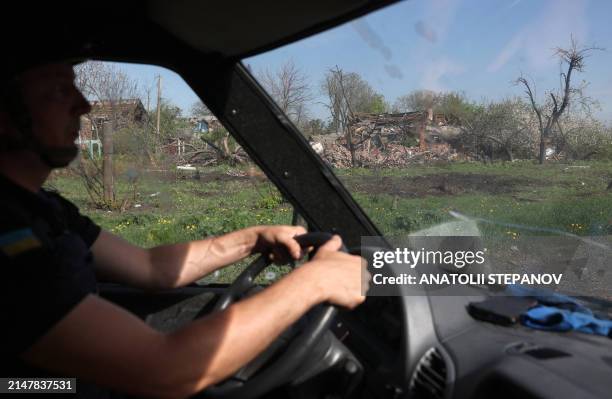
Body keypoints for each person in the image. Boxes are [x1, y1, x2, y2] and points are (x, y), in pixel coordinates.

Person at [0, 61, 369, 398]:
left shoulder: (42, 207)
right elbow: (161, 368)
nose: (84, 105)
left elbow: (150, 266)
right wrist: (312, 283)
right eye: (60, 90)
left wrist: (251, 239)